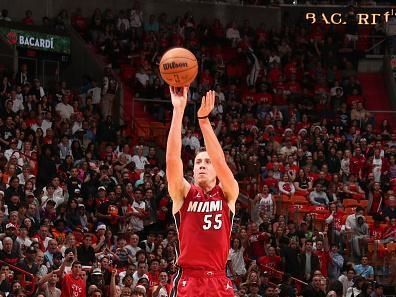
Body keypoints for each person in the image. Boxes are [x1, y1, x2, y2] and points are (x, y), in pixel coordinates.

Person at [166, 87, 239, 296]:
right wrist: (178, 111)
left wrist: (204, 121)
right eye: (198, 162)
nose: (202, 165)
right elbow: (172, 160)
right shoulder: (183, 193)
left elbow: (220, 160)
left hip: (218, 278)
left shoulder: (228, 193)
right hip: (189, 279)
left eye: (207, 162)